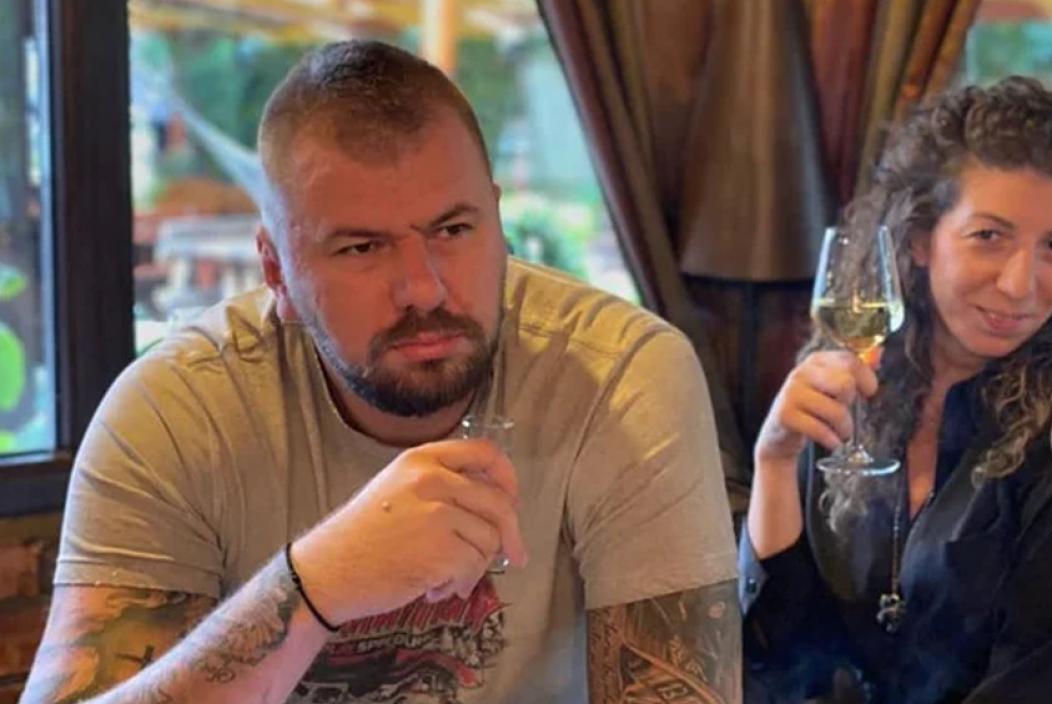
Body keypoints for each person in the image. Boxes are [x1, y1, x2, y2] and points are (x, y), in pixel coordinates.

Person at [22, 40, 740, 704]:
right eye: (362, 248)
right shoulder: (178, 412)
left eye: (453, 230)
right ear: (276, 271)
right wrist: (312, 586)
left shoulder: (619, 379)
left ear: (496, 219)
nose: (424, 289)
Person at [741, 76, 1052, 703]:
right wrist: (774, 460)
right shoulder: (856, 387)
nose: (1020, 284)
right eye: (990, 236)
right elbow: (785, 656)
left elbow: (1046, 690)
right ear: (920, 239)